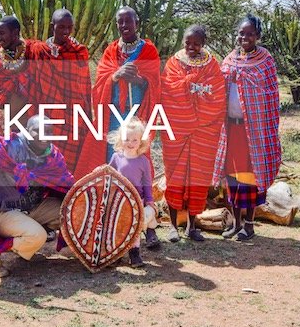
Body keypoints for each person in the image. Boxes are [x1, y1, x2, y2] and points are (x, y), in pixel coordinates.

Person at [0, 114, 75, 277]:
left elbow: (65, 183)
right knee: (38, 236)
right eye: (38, 130)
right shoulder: (8, 147)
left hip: (32, 208)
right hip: (0, 212)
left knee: (71, 212)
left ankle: (22, 240)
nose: (44, 135)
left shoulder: (52, 156)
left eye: (49, 131)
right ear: (27, 130)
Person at [213, 14, 281, 241]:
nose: (245, 37)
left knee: (249, 176)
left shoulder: (265, 60)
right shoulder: (229, 59)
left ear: (258, 36)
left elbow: (270, 96)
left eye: (250, 33)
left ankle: (249, 224)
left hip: (253, 131)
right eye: (242, 33)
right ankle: (235, 222)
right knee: (231, 176)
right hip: (230, 129)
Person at [74, 6, 161, 179]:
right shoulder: (110, 51)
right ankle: (110, 194)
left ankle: (132, 196)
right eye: (120, 21)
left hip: (135, 115)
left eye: (128, 20)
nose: (124, 25)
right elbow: (100, 82)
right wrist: (115, 76)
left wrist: (137, 80)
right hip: (112, 114)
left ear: (136, 23)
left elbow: (154, 83)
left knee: (133, 153)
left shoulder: (148, 50)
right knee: (111, 153)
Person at [161, 25, 226, 242]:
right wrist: (191, 85)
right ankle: (172, 226)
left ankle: (191, 226)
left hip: (203, 131)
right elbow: (168, 90)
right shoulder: (173, 62)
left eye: (196, 43)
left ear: (203, 44)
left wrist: (195, 90)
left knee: (197, 178)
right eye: (188, 42)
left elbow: (216, 93)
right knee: (175, 177)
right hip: (178, 128)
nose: (191, 47)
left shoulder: (211, 64)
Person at [35, 9, 92, 173]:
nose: (66, 31)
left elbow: (84, 86)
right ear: (52, 26)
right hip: (50, 113)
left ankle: (67, 192)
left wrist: (87, 115)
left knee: (71, 161)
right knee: (47, 155)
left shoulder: (79, 52)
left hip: (75, 115)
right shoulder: (41, 51)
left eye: (70, 27)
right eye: (61, 27)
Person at [107, 117, 160, 267]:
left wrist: (149, 201)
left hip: (138, 200)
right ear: (120, 139)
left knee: (135, 227)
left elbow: (147, 183)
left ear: (141, 142)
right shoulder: (116, 157)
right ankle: (116, 253)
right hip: (119, 200)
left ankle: (134, 253)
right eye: (127, 139)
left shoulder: (143, 161)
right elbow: (109, 173)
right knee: (119, 226)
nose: (130, 143)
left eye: (134, 140)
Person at [0, 17, 41, 125]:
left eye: (2, 33)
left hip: (28, 114)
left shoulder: (33, 51)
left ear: (15, 32)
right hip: (1, 114)